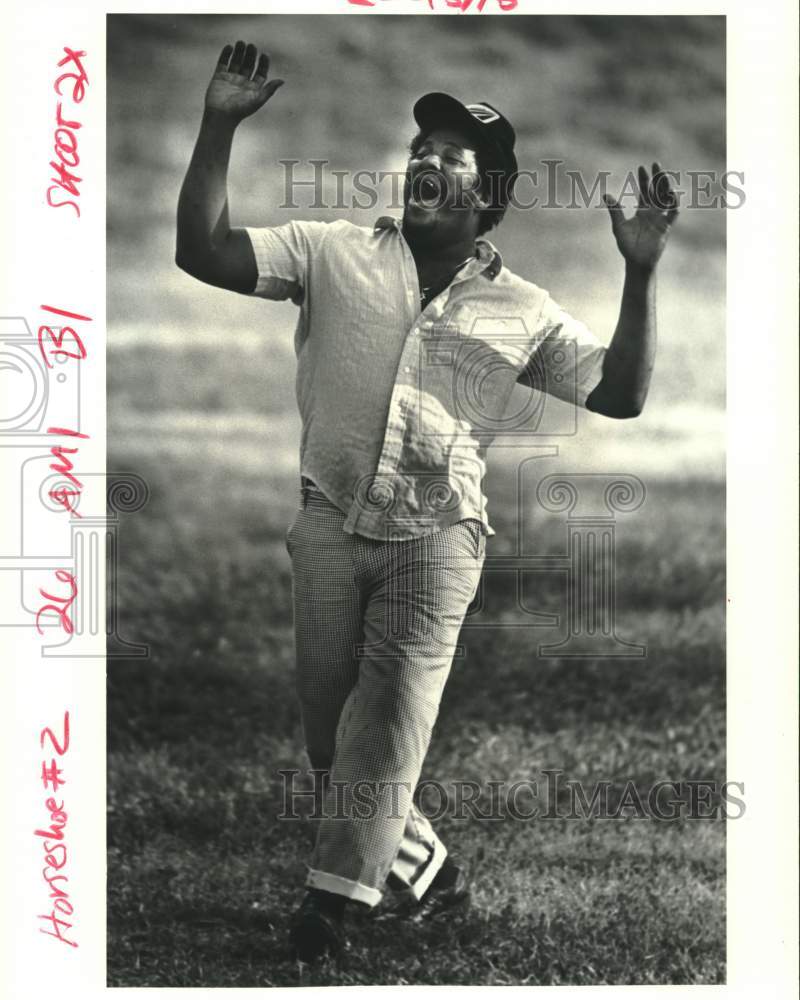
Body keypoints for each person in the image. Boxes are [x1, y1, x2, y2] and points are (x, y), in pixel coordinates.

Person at [176, 40, 678, 962]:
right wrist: (218, 125)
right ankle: (432, 874)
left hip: (438, 539)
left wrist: (639, 272)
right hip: (327, 520)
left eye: (451, 158)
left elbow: (621, 393)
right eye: (420, 152)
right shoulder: (331, 251)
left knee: (386, 729)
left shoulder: (520, 307)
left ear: (486, 198)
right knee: (334, 747)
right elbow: (203, 251)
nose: (425, 164)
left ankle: (330, 913)